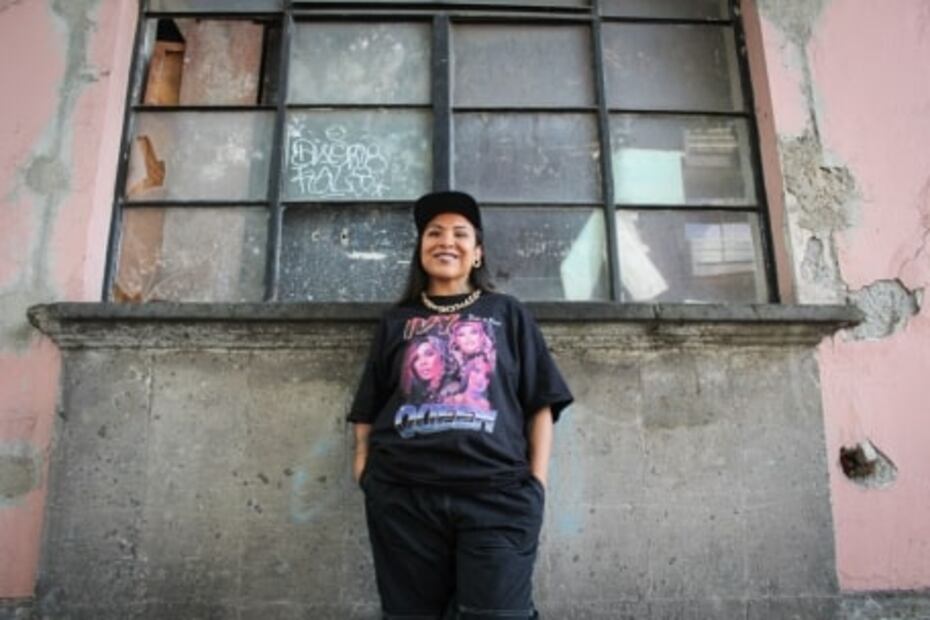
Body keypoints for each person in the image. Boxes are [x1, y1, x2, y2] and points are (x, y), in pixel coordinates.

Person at [348, 190, 573, 619]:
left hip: (497, 496)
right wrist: (365, 470)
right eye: (433, 233)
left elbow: (540, 402)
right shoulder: (396, 321)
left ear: (477, 252)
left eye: (460, 233)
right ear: (420, 250)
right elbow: (368, 405)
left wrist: (536, 485)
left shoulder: (507, 313)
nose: (446, 241)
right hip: (404, 498)